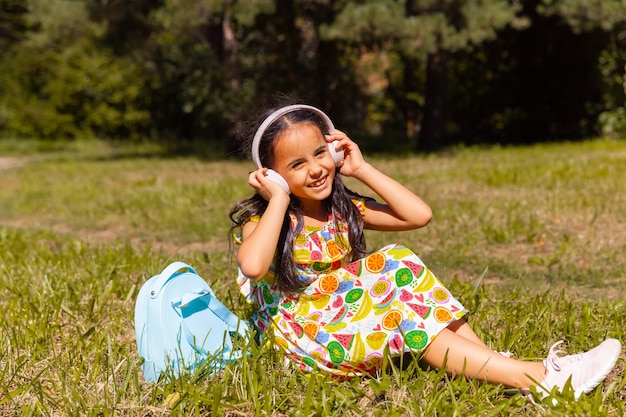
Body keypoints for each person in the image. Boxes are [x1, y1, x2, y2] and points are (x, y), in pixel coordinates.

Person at [229, 103, 621, 401]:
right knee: (395, 309)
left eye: (319, 153)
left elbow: (419, 215)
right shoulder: (268, 221)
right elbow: (252, 264)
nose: (315, 169)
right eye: (296, 164)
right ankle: (539, 378)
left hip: (339, 313)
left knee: (397, 258)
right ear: (273, 174)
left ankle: (495, 365)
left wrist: (361, 169)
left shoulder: (342, 208)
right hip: (308, 337)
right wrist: (278, 198)